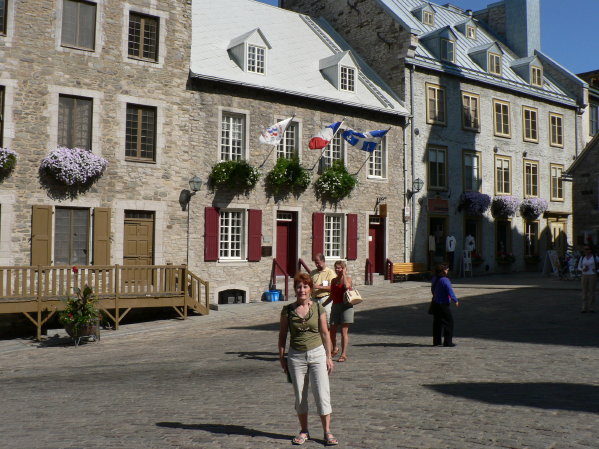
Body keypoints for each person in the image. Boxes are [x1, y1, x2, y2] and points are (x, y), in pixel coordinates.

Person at [278, 272, 338, 446]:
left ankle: (327, 432)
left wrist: (328, 356)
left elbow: (325, 333)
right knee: (300, 396)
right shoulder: (287, 310)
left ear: (310, 289)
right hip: (296, 357)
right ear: (295, 289)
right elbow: (282, 335)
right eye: (298, 287)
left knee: (322, 393)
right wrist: (282, 357)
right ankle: (304, 430)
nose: (301, 290)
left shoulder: (318, 308)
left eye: (305, 286)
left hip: (318, 354)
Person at [329, 260, 353, 363]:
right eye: (336, 268)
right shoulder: (333, 281)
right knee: (332, 330)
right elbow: (332, 295)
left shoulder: (348, 279)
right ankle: (335, 348)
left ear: (344, 269)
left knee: (344, 332)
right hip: (335, 306)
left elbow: (347, 286)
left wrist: (343, 274)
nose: (337, 269)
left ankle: (343, 354)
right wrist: (322, 305)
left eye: (340, 268)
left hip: (346, 306)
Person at [430, 263, 460, 347]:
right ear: (443, 271)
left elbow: (432, 289)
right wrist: (455, 300)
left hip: (435, 303)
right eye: (446, 269)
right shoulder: (445, 280)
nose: (447, 270)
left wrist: (435, 295)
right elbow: (449, 291)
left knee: (437, 323)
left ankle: (436, 341)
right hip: (443, 304)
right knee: (449, 322)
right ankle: (447, 342)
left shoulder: (435, 278)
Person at [310, 253, 336, 328]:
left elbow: (333, 287)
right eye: (315, 262)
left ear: (323, 261)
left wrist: (318, 286)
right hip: (314, 299)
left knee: (327, 321)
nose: (316, 264)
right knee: (315, 321)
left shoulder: (330, 272)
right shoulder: (312, 272)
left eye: (318, 262)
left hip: (325, 299)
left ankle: (328, 338)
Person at [577, 245, 599, 313]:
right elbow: (579, 267)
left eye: (587, 249)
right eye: (584, 249)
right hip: (584, 275)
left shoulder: (595, 257)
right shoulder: (582, 257)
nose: (585, 251)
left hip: (592, 275)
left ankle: (591, 307)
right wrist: (583, 269)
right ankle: (584, 307)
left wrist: (597, 270)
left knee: (592, 291)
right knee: (584, 291)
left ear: (590, 250)